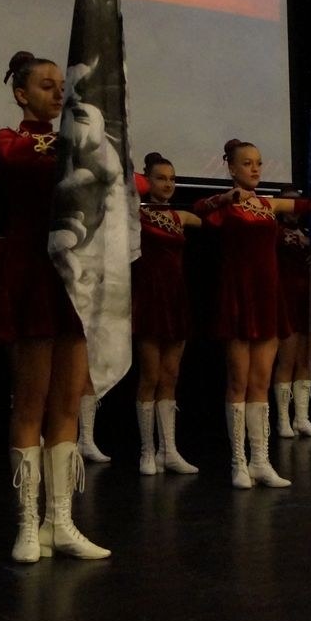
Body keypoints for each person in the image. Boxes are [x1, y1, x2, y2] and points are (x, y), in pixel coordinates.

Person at [0, 51, 109, 563]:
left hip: (72, 279)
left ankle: (60, 522)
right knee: (30, 404)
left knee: (66, 405)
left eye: (62, 85)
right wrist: (76, 144)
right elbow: (20, 160)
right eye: (46, 85)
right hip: (31, 275)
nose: (58, 92)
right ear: (21, 93)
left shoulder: (79, 141)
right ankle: (26, 525)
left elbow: (126, 181)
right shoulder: (9, 138)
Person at [194, 139, 311, 489]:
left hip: (267, 299)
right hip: (239, 299)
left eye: (258, 163)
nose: (255, 168)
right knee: (238, 381)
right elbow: (200, 209)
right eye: (247, 163)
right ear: (231, 168)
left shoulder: (269, 204)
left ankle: (261, 460)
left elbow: (309, 203)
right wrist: (224, 199)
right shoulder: (225, 205)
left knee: (260, 382)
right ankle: (238, 463)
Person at [131, 152, 202, 476]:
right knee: (150, 376)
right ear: (147, 180)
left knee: (171, 375)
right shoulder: (135, 214)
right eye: (161, 178)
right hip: (149, 299)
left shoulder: (180, 216)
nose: (168, 184)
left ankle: (168, 450)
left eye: (172, 179)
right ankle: (147, 451)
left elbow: (211, 218)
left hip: (176, 299)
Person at [271, 192, 311, 439]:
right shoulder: (275, 231)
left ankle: (301, 418)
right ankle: (283, 420)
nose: (294, 210)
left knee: (305, 359)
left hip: (309, 301)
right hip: (286, 301)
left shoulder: (309, 231)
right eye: (289, 204)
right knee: (287, 360)